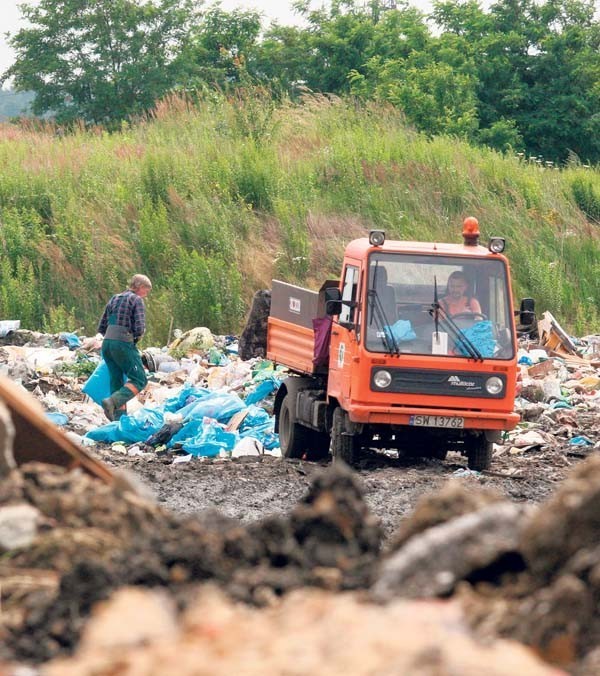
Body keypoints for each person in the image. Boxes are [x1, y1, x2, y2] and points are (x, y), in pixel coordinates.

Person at [97, 274, 152, 421]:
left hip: (107, 344)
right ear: (140, 287)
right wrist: (133, 340)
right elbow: (139, 328)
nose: (146, 295)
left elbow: (101, 326)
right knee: (139, 379)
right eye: (146, 291)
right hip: (122, 343)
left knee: (117, 380)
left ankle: (118, 420)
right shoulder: (136, 300)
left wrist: (112, 338)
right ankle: (112, 402)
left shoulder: (114, 298)